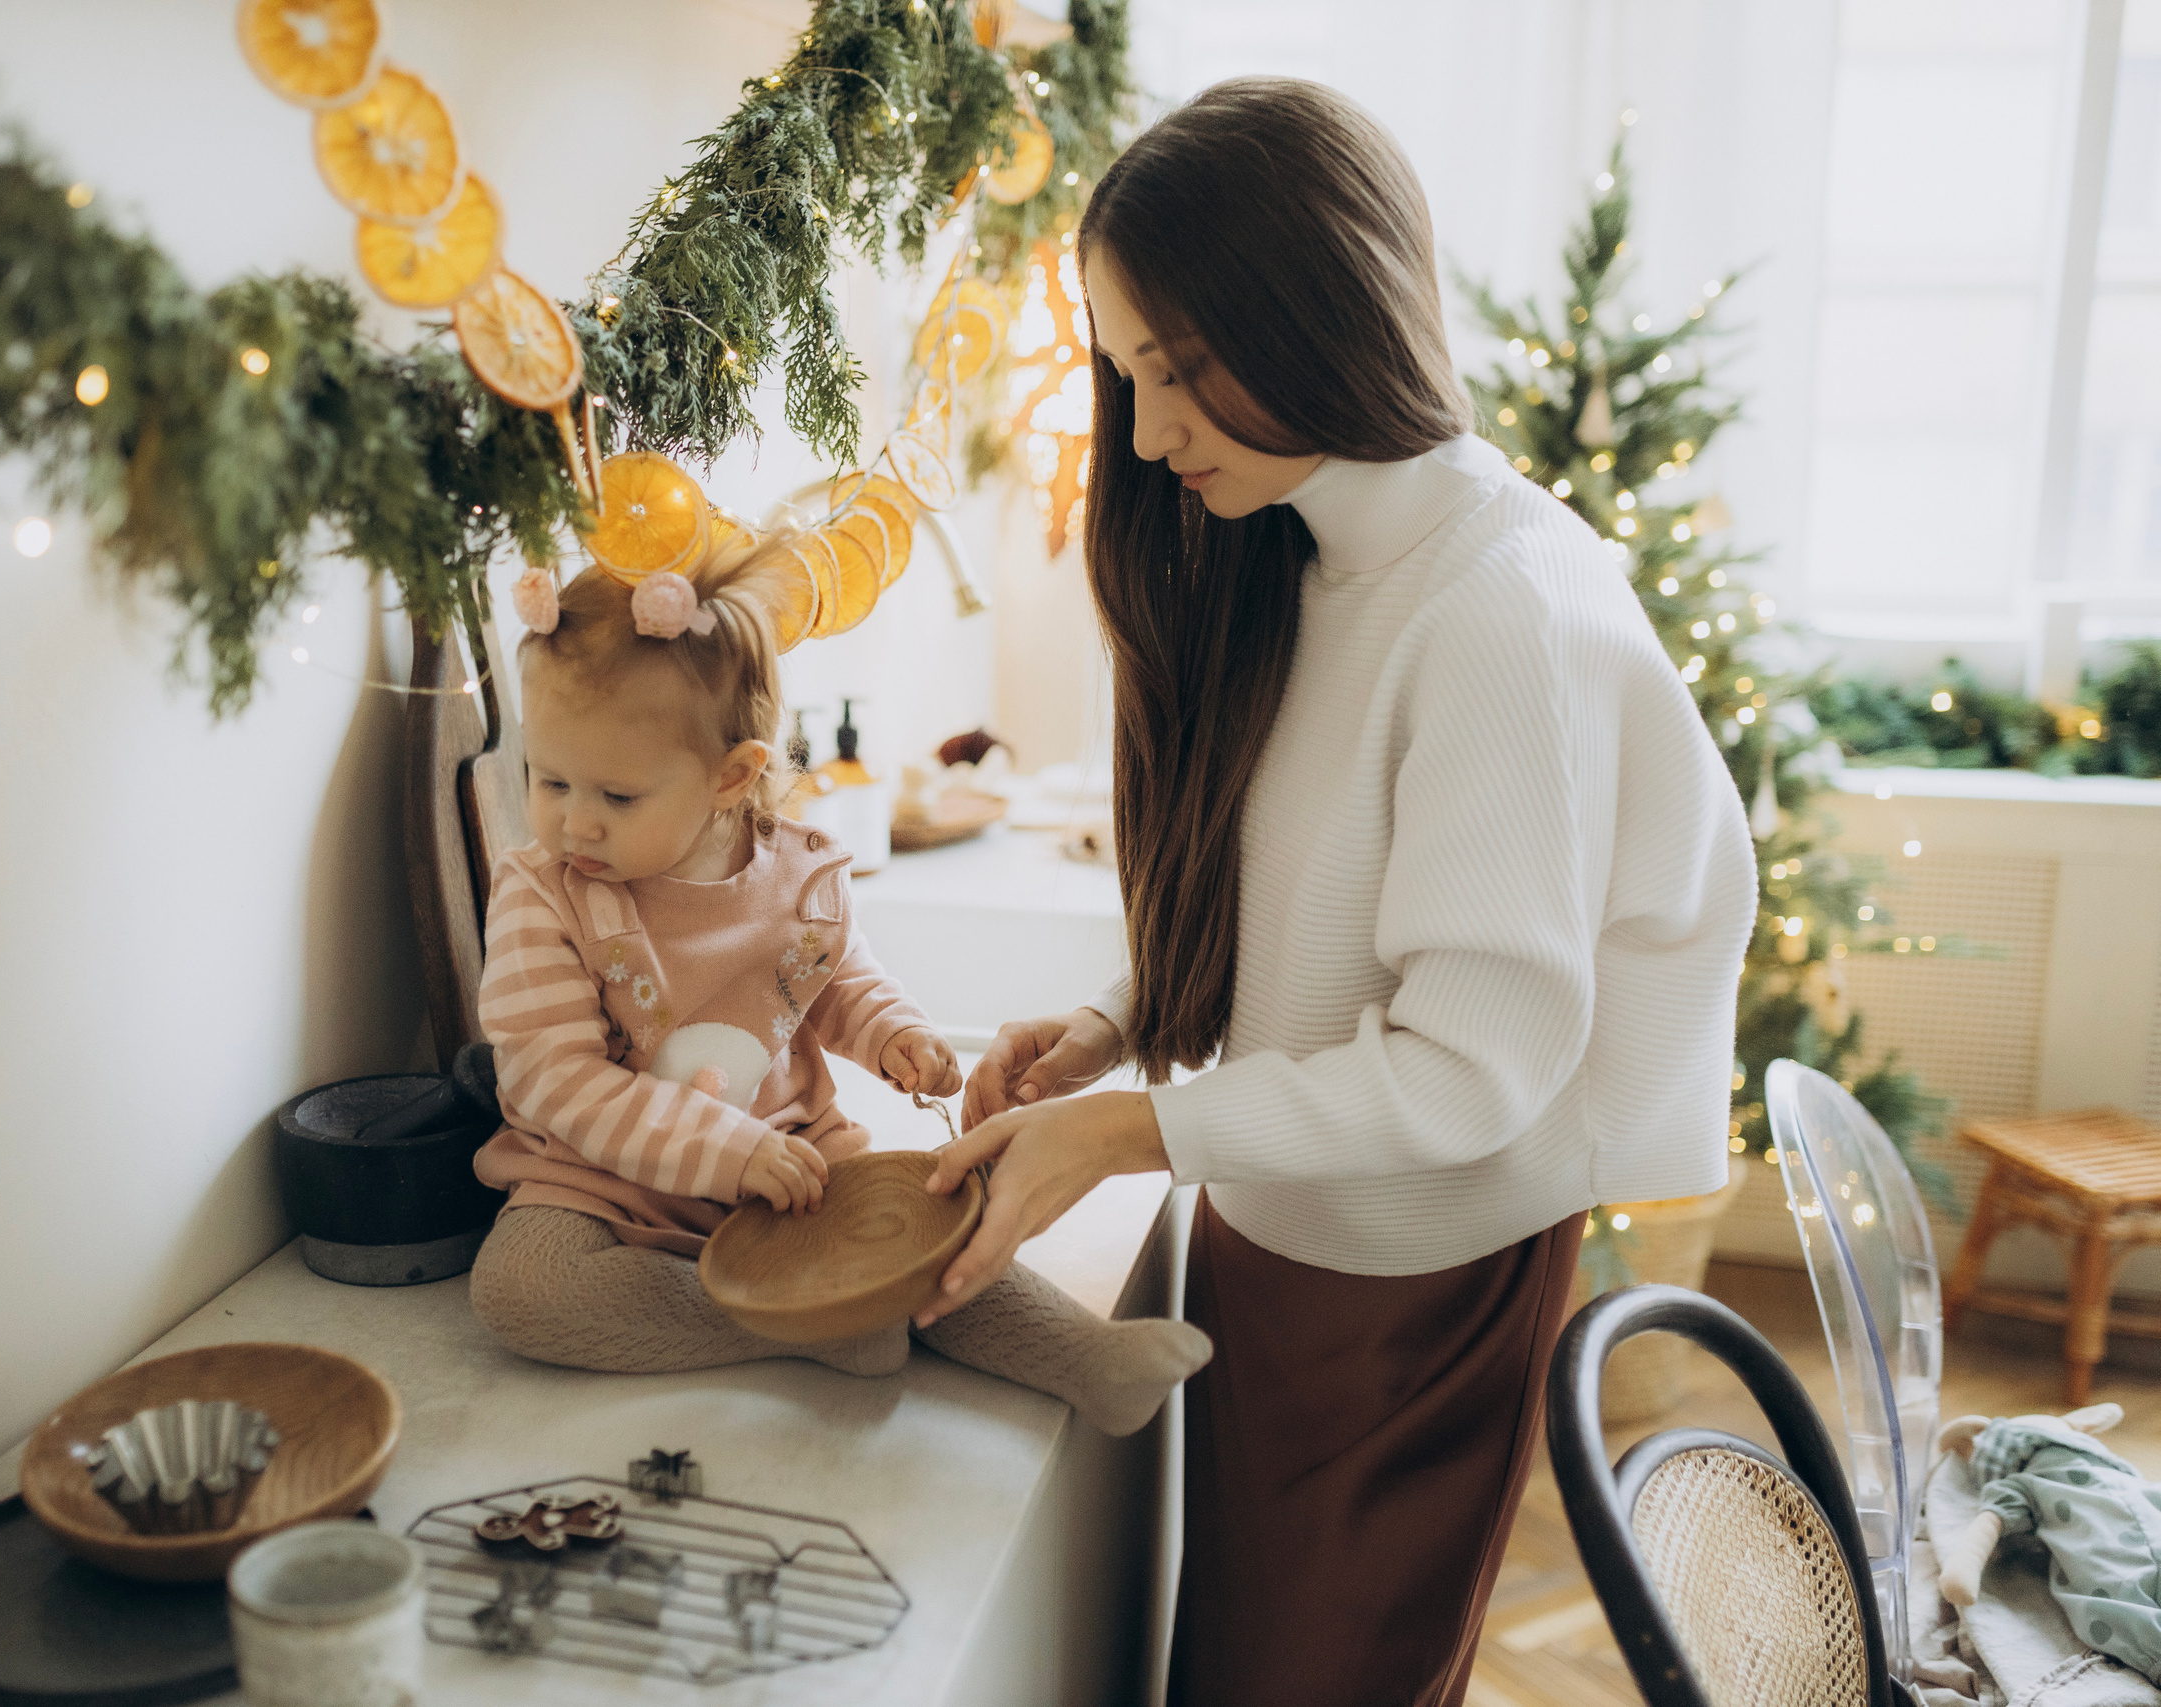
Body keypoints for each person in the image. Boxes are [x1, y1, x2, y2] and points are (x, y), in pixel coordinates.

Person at [920, 78, 1758, 1704]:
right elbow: (1304, 879)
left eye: (1180, 368)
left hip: (1415, 1282)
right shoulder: (1303, 556)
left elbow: (1469, 1068)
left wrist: (1128, 1133)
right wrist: (1117, 1025)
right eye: (1129, 374)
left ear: (1319, 304)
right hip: (1278, 1232)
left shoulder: (1502, 610)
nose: (1149, 434)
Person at [464, 540, 1212, 1438]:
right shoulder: (540, 894)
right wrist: (724, 1149)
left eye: (616, 796)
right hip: (603, 1181)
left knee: (927, 1230)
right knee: (521, 1286)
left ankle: (1090, 1358)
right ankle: (798, 1327)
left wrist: (894, 1032)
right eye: (548, 780)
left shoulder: (797, 875)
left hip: (792, 1166)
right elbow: (557, 1081)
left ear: (731, 777)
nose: (572, 821)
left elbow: (837, 981)